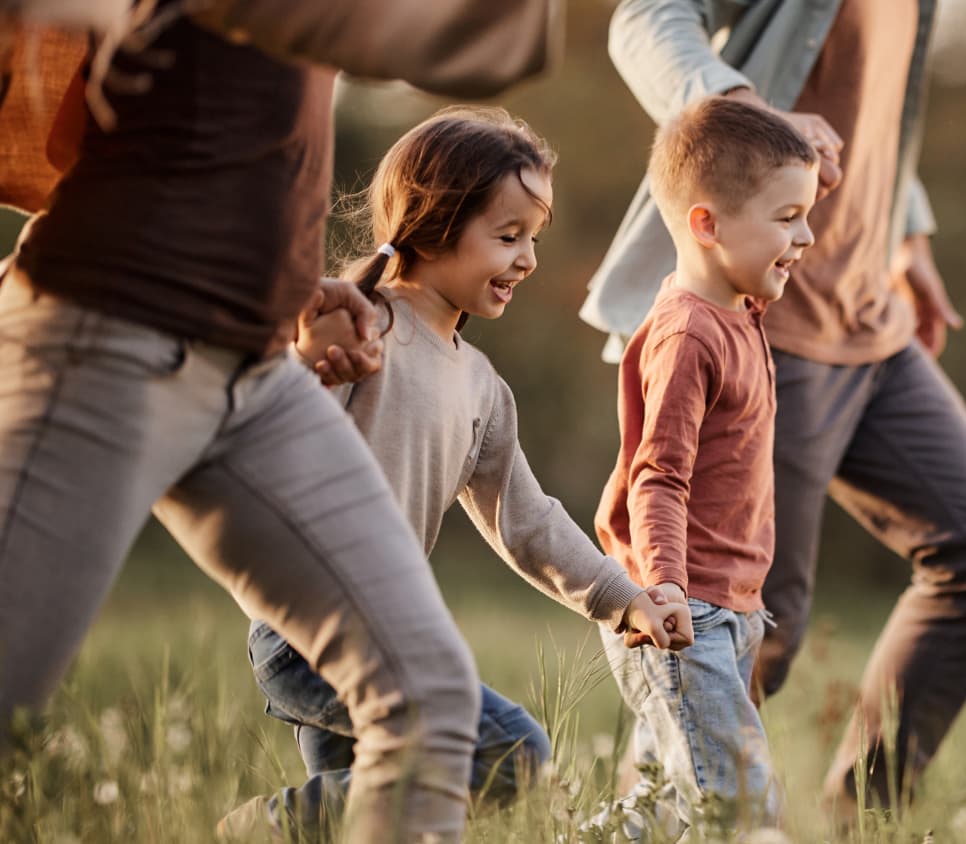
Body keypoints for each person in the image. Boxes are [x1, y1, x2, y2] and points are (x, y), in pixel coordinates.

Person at [0, 5, 560, 841]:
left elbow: (224, 135)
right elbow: (475, 38)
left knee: (431, 708)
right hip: (106, 335)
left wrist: (287, 283)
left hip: (251, 365)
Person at [579, 0, 966, 812]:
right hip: (766, 331)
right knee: (747, 630)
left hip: (871, 318)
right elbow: (646, 17)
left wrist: (908, 235)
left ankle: (863, 817)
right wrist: (743, 107)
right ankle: (666, 821)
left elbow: (870, 114)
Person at [219, 107, 693, 840]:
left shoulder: (481, 388)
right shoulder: (361, 326)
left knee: (374, 824)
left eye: (533, 238)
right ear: (434, 225)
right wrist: (307, 358)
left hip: (383, 627)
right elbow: (269, 426)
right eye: (508, 237)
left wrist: (622, 599)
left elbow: (527, 521)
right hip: (308, 627)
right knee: (510, 753)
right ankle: (258, 829)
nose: (528, 260)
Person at [586, 96, 818, 840]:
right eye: (789, 218)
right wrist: (666, 589)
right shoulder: (688, 334)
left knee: (655, 809)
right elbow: (658, 476)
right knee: (742, 809)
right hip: (686, 615)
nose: (806, 236)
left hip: (730, 611)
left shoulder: (741, 308)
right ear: (707, 225)